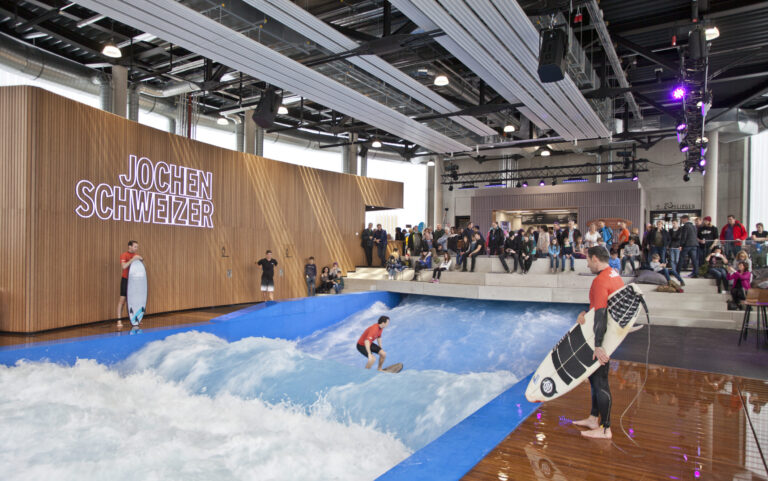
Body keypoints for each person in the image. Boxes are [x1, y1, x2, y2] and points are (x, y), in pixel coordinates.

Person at [572, 246, 625, 439]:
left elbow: (602, 315)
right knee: (594, 378)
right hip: (610, 334)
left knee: (601, 382)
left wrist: (598, 345)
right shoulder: (614, 275)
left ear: (595, 259)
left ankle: (605, 429)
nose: (586, 263)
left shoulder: (600, 280)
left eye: (587, 259)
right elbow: (601, 308)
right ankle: (594, 418)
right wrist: (586, 313)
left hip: (603, 337)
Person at [117, 240, 144, 329]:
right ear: (130, 246)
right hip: (126, 280)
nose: (136, 248)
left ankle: (136, 319)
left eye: (137, 247)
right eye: (135, 246)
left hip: (134, 282)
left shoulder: (136, 255)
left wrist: (140, 259)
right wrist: (132, 260)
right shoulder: (124, 255)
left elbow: (140, 265)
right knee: (122, 300)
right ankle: (119, 320)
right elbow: (124, 266)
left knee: (134, 300)